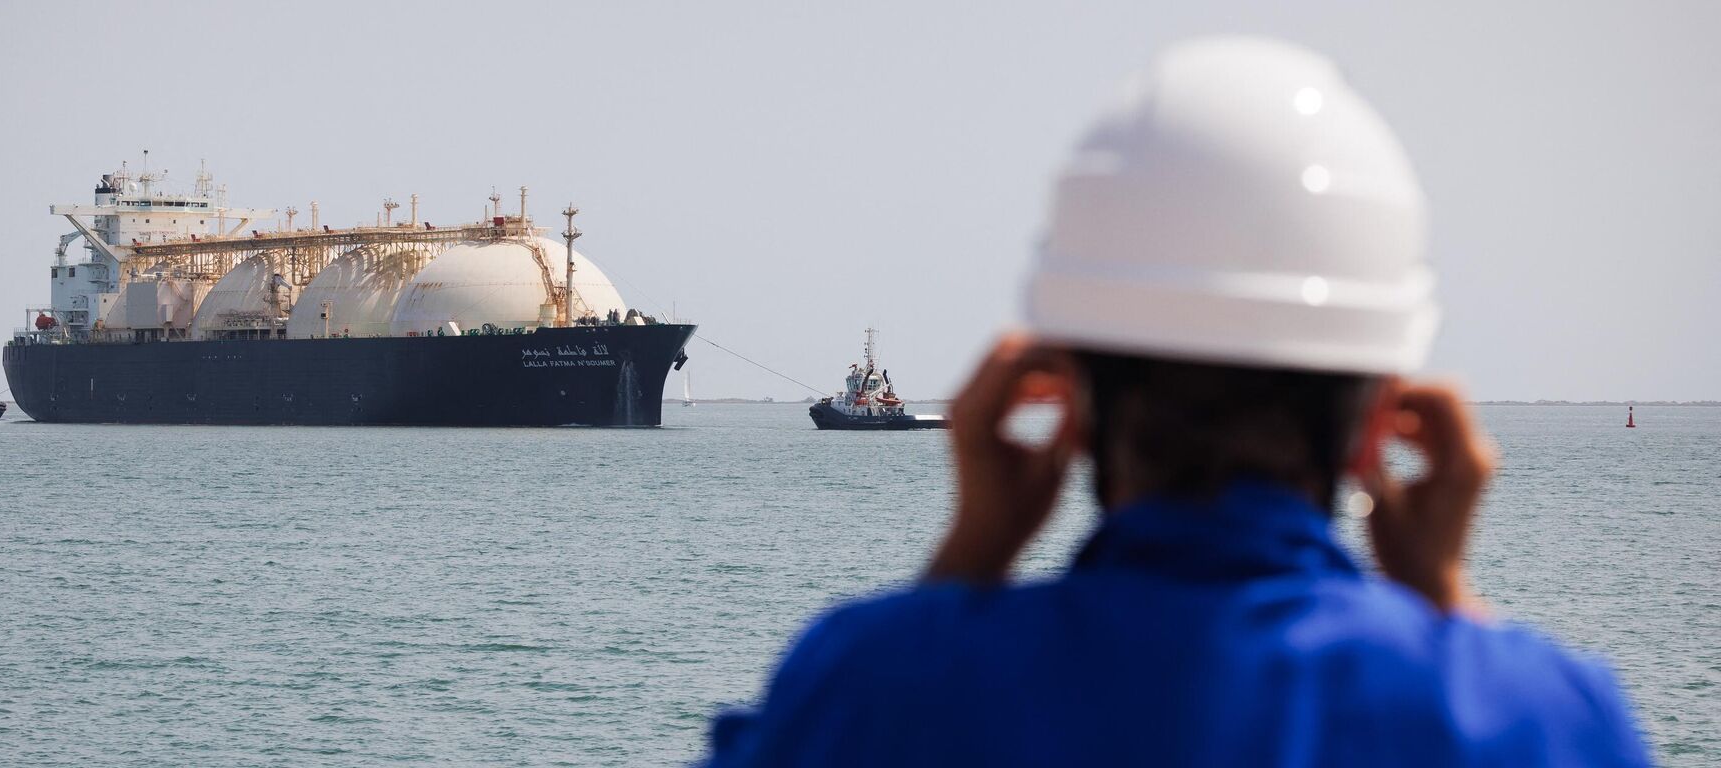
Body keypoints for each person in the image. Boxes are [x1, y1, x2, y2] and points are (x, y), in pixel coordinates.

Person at [703, 37, 1649, 766]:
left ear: (1063, 402)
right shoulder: (1540, 714)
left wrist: (967, 559)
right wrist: (1448, 603)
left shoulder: (870, 686)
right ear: (1376, 429)